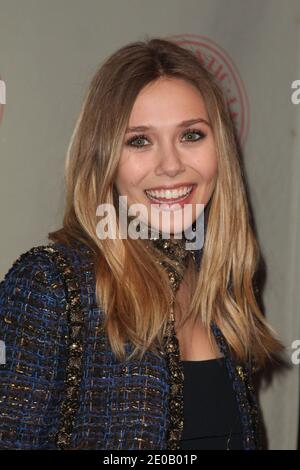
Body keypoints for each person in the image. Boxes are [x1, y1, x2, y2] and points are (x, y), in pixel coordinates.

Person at [0, 37, 283, 450]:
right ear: (104, 161)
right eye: (139, 141)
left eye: (191, 135)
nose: (171, 165)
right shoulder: (53, 286)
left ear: (220, 149)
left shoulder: (222, 289)